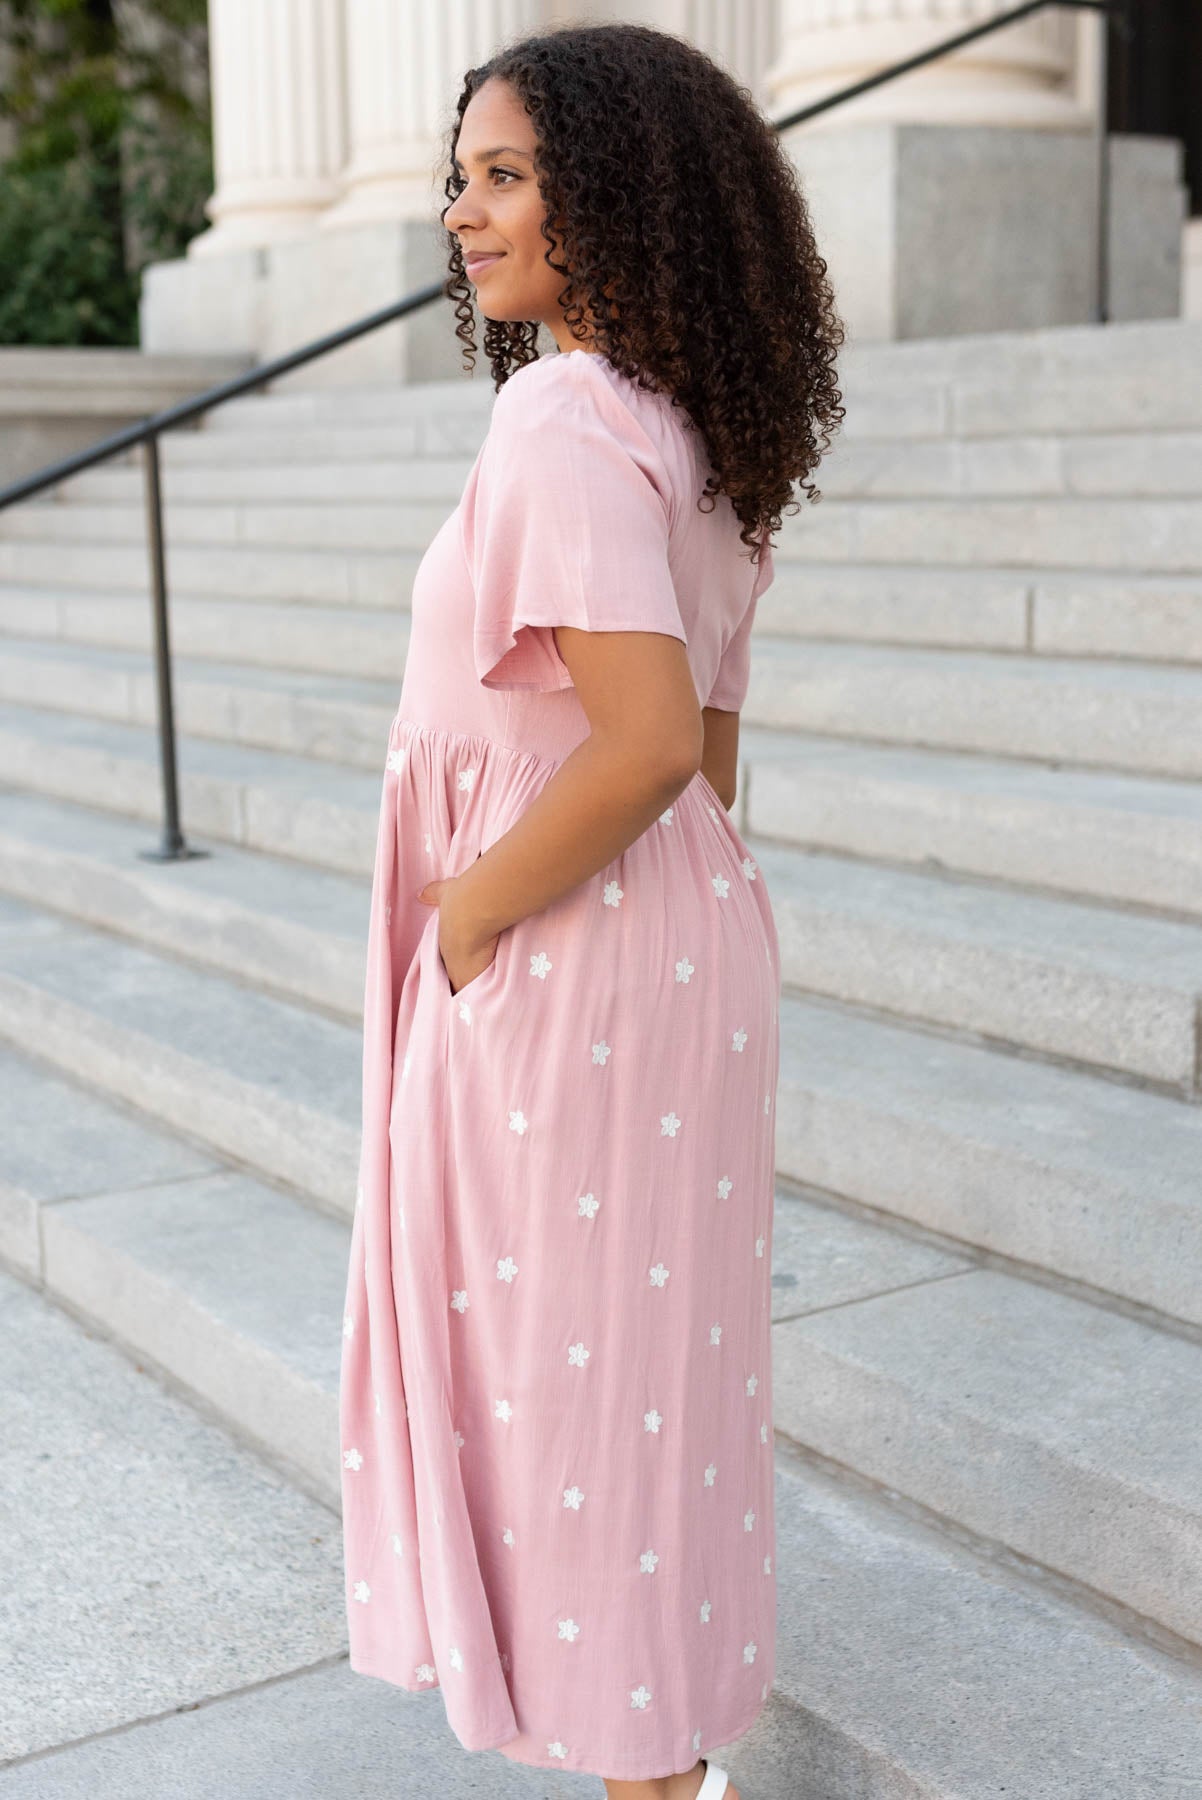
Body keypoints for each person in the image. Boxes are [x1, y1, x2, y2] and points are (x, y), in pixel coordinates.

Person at [339, 21, 845, 1800]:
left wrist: (462, 921)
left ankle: (643, 1776)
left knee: (567, 1390)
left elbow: (633, 747)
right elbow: (706, 765)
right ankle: (667, 1763)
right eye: (458, 176)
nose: (462, 213)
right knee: (654, 1382)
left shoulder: (560, 412)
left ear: (613, 192)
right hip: (678, 935)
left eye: (504, 174)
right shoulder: (696, 429)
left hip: (560, 944)